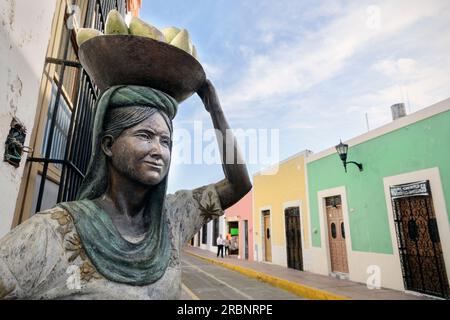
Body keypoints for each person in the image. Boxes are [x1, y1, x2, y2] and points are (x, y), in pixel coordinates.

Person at [0, 80, 251, 299]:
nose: (158, 150)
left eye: (166, 141)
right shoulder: (53, 231)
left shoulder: (173, 217)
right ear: (108, 145)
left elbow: (239, 184)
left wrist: (214, 108)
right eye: (145, 135)